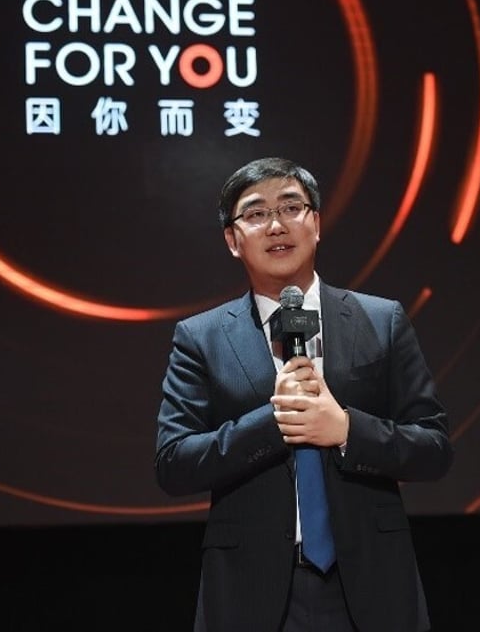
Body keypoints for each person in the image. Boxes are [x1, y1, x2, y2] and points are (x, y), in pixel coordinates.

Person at [155, 157, 453, 631]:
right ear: (233, 240)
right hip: (251, 590)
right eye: (256, 213)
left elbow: (434, 450)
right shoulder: (201, 337)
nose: (276, 225)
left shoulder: (381, 320)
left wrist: (346, 430)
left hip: (370, 583)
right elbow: (174, 463)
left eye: (291, 208)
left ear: (315, 223)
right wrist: (273, 423)